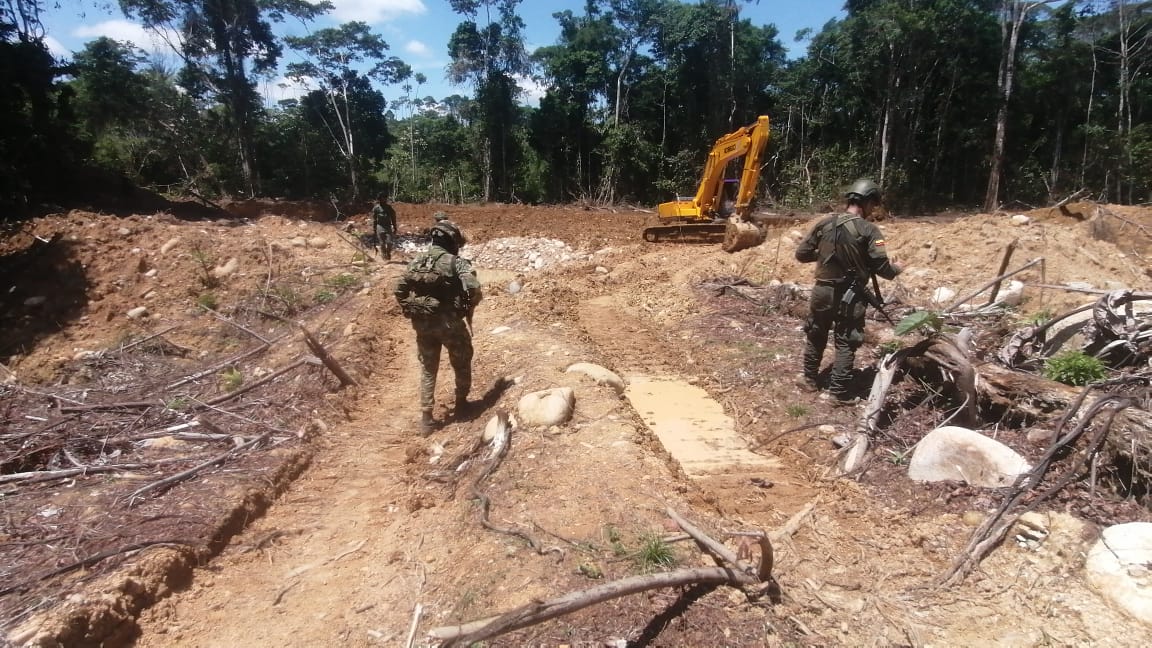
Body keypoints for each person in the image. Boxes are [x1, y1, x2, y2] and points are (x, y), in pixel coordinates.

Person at [795, 178, 902, 402]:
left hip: (822, 291)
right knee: (846, 340)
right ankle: (837, 393)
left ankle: (808, 380)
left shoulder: (824, 223)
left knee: (816, 334)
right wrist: (896, 270)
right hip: (850, 294)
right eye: (873, 205)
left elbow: (802, 254)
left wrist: (825, 256)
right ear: (867, 202)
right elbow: (881, 267)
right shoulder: (870, 230)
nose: (874, 210)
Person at [393, 221, 483, 434]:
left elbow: (398, 289)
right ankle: (461, 403)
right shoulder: (455, 262)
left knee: (427, 367)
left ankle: (426, 417)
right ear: (451, 240)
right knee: (461, 359)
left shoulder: (416, 261)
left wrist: (411, 307)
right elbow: (474, 287)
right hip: (449, 323)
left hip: (422, 325)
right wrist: (467, 305)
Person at [371, 189, 397, 260]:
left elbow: (393, 217)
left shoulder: (389, 208)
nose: (384, 199)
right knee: (382, 243)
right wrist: (374, 229)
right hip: (379, 227)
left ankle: (388, 253)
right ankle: (383, 255)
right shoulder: (376, 208)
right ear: (379, 198)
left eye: (385, 197)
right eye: (382, 197)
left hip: (388, 227)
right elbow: (374, 219)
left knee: (389, 242)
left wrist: (395, 227)